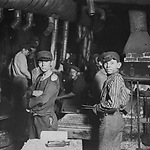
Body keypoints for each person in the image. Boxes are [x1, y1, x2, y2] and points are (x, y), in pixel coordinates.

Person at [93, 51, 131, 150]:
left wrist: (98, 107)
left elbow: (113, 104)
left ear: (119, 65)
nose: (108, 66)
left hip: (110, 120)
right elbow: (122, 102)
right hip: (117, 119)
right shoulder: (116, 78)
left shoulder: (114, 79)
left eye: (112, 63)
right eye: (106, 63)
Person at [23, 50, 60, 139]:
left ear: (51, 63)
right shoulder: (40, 78)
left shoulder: (53, 80)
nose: (43, 65)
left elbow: (43, 99)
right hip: (35, 117)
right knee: (32, 144)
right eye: (40, 62)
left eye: (46, 62)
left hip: (45, 119)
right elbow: (28, 91)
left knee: (44, 145)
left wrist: (27, 103)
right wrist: (32, 93)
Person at [9, 44, 32, 109]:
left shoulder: (16, 56)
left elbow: (9, 68)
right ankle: (23, 113)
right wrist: (30, 76)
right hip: (21, 80)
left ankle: (13, 113)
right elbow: (23, 70)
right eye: (27, 51)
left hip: (15, 78)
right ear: (23, 49)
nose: (28, 53)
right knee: (23, 98)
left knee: (15, 98)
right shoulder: (22, 56)